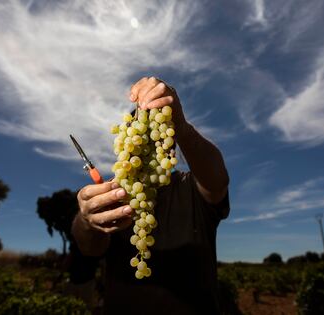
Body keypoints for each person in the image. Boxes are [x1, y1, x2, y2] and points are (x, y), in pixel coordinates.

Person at [70, 77, 230, 315]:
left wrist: (182, 128)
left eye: (157, 134)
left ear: (171, 142)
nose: (149, 145)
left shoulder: (192, 188)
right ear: (127, 142)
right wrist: (86, 221)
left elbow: (217, 179)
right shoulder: (115, 195)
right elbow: (90, 247)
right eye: (142, 138)